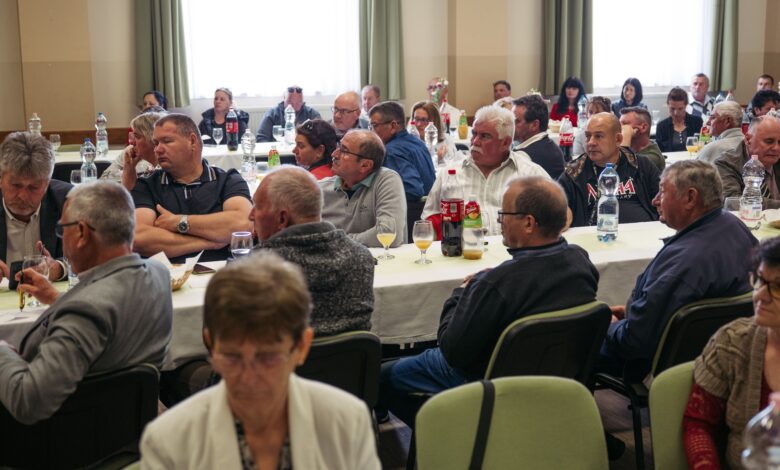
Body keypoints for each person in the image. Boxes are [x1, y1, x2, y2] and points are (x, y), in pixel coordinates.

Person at [379, 177, 599, 425]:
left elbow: (452, 352)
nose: (499, 221)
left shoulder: (495, 285)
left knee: (381, 377)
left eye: (503, 214)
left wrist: (461, 293)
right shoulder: (581, 262)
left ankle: (452, 436)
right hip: (555, 379)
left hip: (487, 382)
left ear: (528, 223)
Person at [139, 252, 380, 469]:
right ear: (210, 345)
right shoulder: (169, 441)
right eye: (232, 357)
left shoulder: (347, 423)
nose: (249, 377)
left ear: (301, 347)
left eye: (267, 358)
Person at [0, 181, 172, 424]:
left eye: (62, 230)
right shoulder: (158, 274)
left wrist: (3, 351)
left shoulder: (85, 310)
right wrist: (56, 298)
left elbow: (29, 401)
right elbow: (110, 316)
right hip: (130, 425)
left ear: (81, 233)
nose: (62, 239)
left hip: (66, 434)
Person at [598, 160, 756, 378]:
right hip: (719, 357)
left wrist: (610, 325)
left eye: (662, 191)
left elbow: (635, 342)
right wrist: (636, 313)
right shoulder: (735, 227)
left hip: (661, 368)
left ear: (690, 198)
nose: (654, 200)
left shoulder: (682, 264)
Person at [682, 237, 780, 469]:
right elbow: (698, 424)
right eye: (759, 280)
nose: (760, 295)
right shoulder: (733, 342)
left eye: (777, 287)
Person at [251, 166, 374, 335]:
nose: (251, 215)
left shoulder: (254, 269)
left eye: (257, 207)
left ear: (282, 218)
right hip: (354, 353)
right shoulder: (361, 257)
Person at [132, 114, 253, 263]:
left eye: (167, 141)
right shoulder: (145, 185)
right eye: (156, 143)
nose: (158, 149)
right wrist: (211, 242)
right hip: (168, 274)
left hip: (223, 272)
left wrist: (178, 222)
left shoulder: (228, 180)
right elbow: (139, 238)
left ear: (192, 141)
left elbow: (243, 225)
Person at [421, 106, 548, 237]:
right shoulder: (450, 173)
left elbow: (556, 218)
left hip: (514, 247)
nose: (475, 141)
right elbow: (428, 218)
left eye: (485, 136)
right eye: (474, 134)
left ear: (505, 143)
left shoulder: (530, 174)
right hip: (461, 247)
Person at [557, 112, 660, 227]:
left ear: (618, 139)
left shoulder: (641, 165)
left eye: (598, 136)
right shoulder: (574, 172)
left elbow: (663, 199)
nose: (591, 142)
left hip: (645, 233)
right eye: (588, 136)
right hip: (594, 235)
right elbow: (557, 210)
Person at [0, 132, 71, 282]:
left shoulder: (68, 201)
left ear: (47, 184)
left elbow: (94, 256)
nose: (23, 196)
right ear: (1, 178)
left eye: (33, 188)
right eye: (16, 185)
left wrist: (60, 268)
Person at [320, 129, 406, 247]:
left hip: (380, 259)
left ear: (365, 165)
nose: (334, 154)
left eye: (344, 151)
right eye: (338, 146)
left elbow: (389, 233)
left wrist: (339, 241)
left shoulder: (386, 180)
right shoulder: (320, 189)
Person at [369, 101, 436, 203]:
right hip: (429, 207)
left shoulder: (392, 151)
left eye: (374, 125)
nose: (371, 131)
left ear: (393, 126)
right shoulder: (418, 143)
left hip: (409, 211)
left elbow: (412, 191)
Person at [715, 114, 780, 207]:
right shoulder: (726, 164)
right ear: (748, 139)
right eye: (769, 141)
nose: (776, 148)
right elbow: (732, 202)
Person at [101, 110, 165, 190]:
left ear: (153, 139)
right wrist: (129, 165)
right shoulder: (132, 155)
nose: (132, 142)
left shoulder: (166, 169)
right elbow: (129, 192)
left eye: (137, 137)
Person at [512, 94, 565, 178]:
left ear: (534, 125)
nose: (511, 125)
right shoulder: (553, 147)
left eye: (516, 121)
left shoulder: (522, 157)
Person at [256, 86, 322, 143]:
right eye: (290, 102)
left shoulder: (312, 114)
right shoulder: (272, 114)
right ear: (284, 99)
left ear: (303, 102)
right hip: (278, 151)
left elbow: (321, 137)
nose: (293, 106)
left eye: (298, 102)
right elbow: (261, 138)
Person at [656, 87, 704, 152]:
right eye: (672, 109)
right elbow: (659, 152)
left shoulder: (697, 122)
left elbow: (704, 145)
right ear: (668, 105)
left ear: (686, 106)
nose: (676, 113)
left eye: (680, 109)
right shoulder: (661, 126)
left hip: (693, 157)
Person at [411, 100, 459, 165]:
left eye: (424, 120)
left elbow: (454, 166)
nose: (419, 124)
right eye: (416, 119)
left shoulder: (446, 141)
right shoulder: (408, 142)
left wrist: (440, 160)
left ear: (434, 122)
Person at [619, 107, 665, 171]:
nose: (619, 127)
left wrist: (624, 139)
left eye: (625, 124)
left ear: (643, 127)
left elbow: (623, 168)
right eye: (619, 124)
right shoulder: (632, 150)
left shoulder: (653, 157)